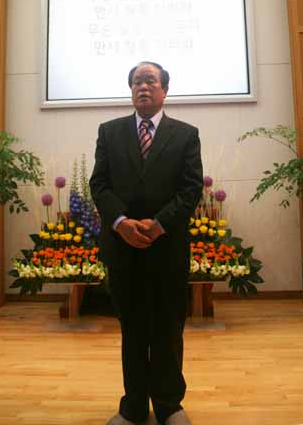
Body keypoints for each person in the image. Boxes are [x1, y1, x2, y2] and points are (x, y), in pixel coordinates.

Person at [91, 62, 203, 425]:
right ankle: (134, 407)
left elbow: (190, 189)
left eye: (150, 81)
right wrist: (121, 223)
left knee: (168, 329)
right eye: (137, 82)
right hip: (124, 250)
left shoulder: (185, 135)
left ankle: (169, 405)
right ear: (131, 90)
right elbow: (99, 185)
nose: (143, 87)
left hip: (167, 249)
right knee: (134, 330)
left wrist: (158, 225)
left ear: (164, 90)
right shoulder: (109, 132)